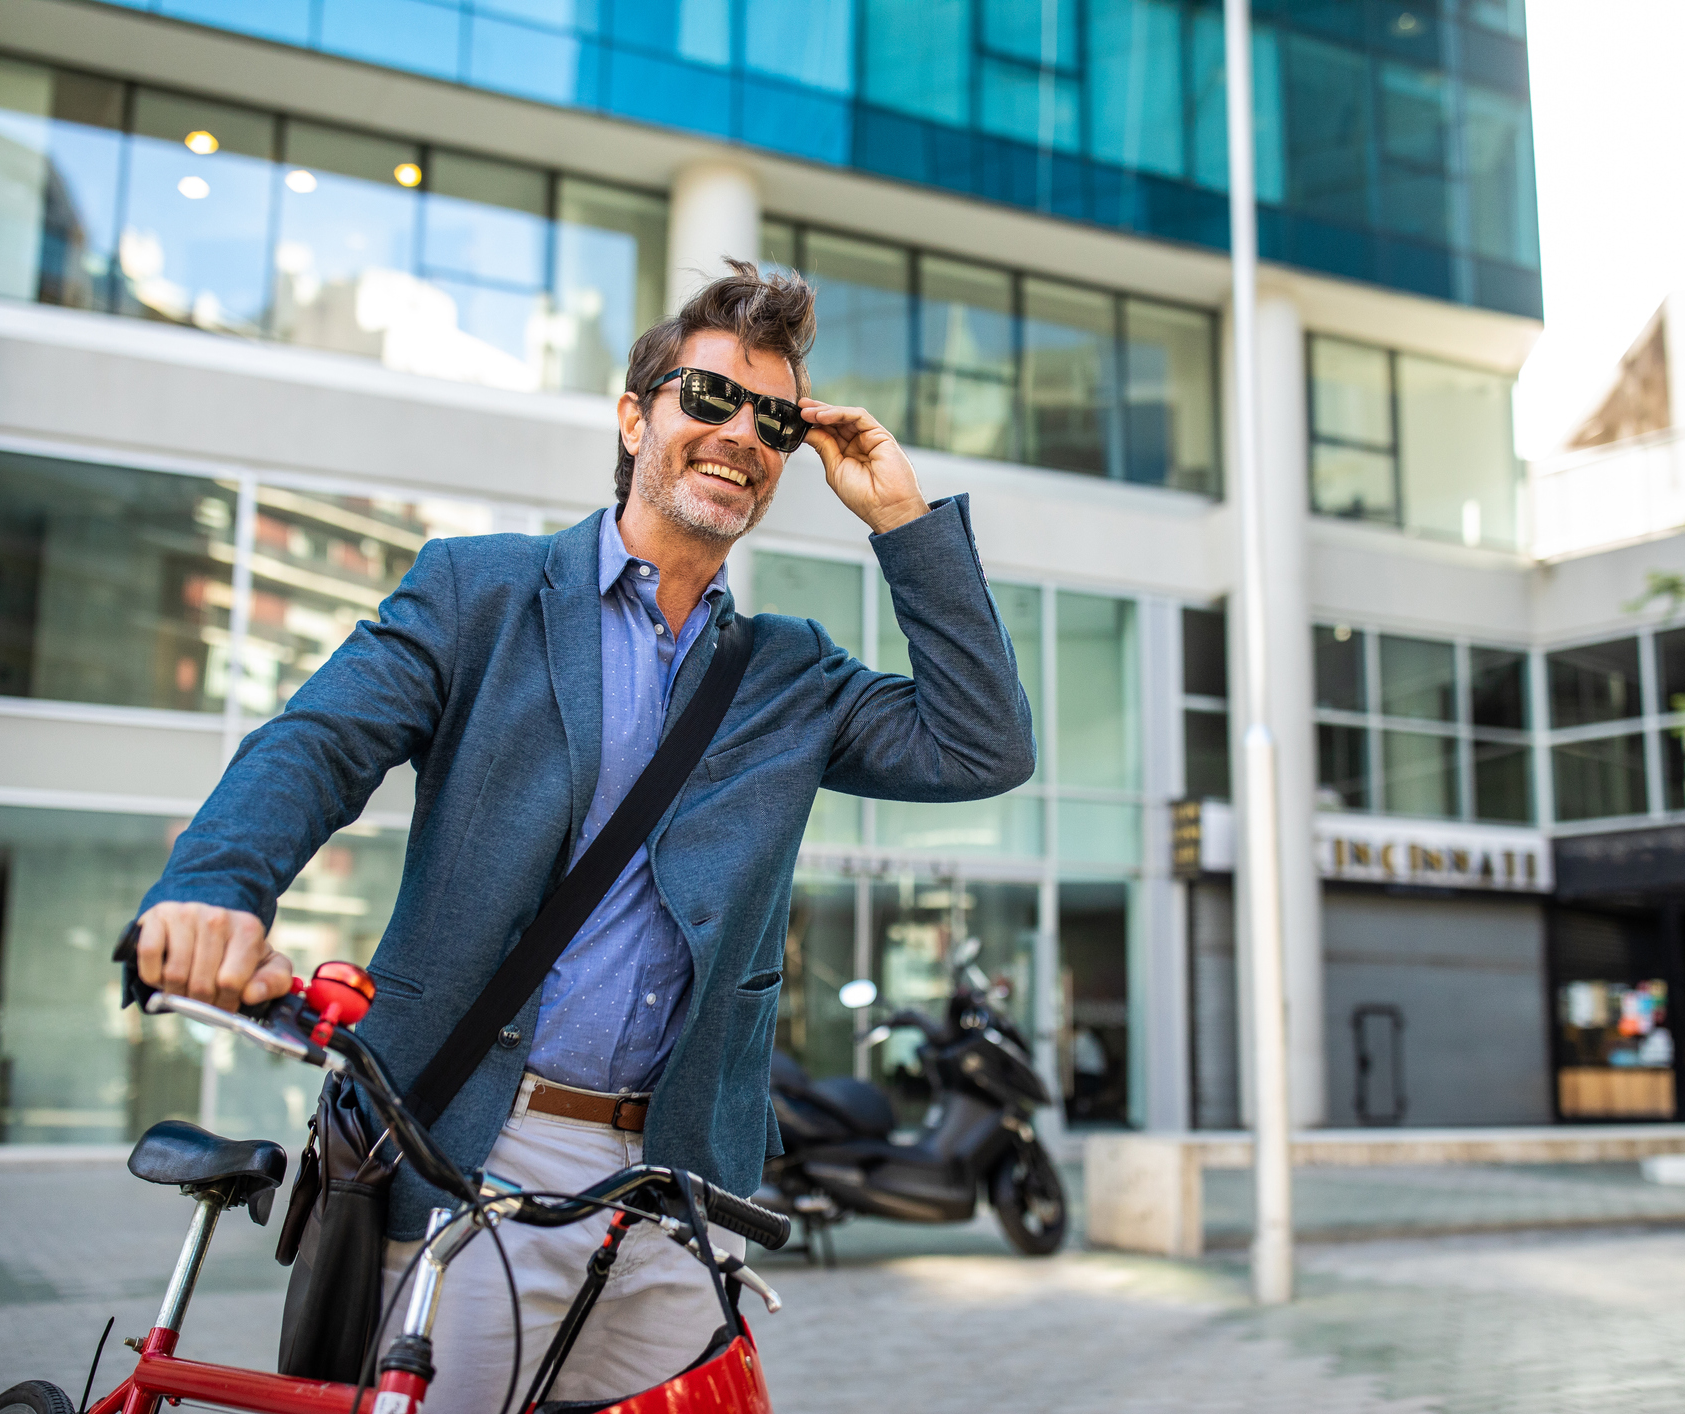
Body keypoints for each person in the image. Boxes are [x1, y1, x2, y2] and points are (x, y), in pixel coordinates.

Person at [126, 261, 1036, 1408]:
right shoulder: (483, 593)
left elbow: (984, 747)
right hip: (468, 1154)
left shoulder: (791, 675)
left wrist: (902, 518)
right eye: (706, 397)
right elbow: (319, 742)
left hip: (679, 1191)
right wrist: (216, 886)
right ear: (634, 414)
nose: (740, 433)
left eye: (775, 418)